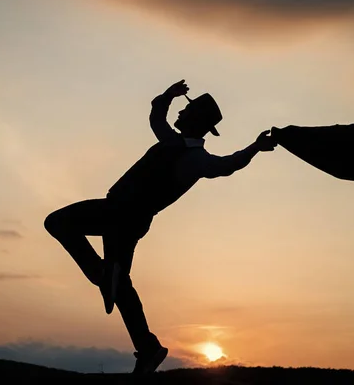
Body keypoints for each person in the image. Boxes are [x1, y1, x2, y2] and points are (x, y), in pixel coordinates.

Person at [44, 79, 277, 374]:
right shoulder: (170, 140)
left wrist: (255, 147)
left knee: (58, 223)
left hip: (124, 216)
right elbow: (157, 116)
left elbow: (226, 165)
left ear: (197, 121)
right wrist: (168, 95)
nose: (180, 113)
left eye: (186, 111)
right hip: (119, 212)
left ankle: (102, 275)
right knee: (120, 287)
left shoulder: (196, 158)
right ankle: (148, 347)